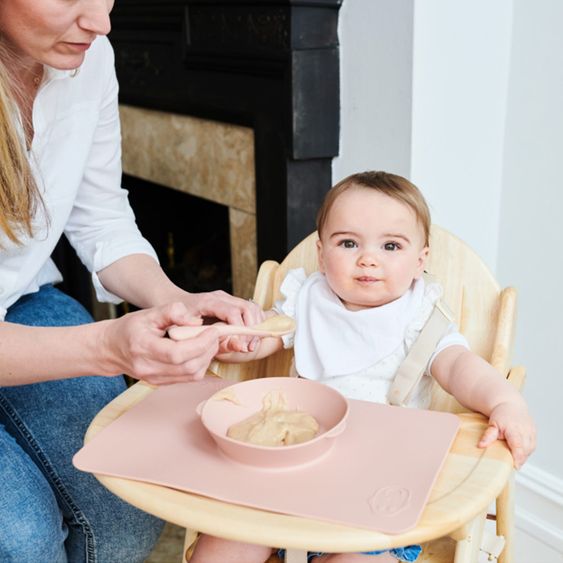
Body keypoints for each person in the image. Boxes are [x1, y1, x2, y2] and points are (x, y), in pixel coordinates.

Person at [0, 1, 263, 562]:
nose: (101, 22)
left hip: (22, 304)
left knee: (126, 510)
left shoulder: (89, 60)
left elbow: (100, 217)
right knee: (22, 539)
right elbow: (104, 347)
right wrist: (107, 347)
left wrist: (180, 301)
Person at [190, 171, 536, 563]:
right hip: (287, 480)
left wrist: (506, 403)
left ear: (420, 261)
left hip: (377, 494)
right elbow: (264, 337)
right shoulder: (307, 299)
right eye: (349, 242)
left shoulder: (420, 318)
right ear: (321, 254)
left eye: (390, 245)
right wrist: (234, 340)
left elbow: (459, 367)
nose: (368, 258)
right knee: (220, 548)